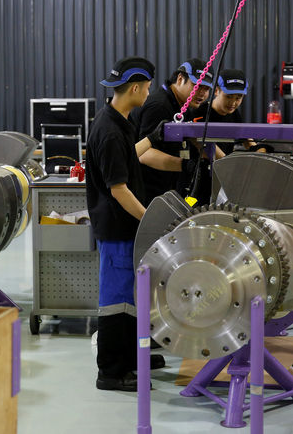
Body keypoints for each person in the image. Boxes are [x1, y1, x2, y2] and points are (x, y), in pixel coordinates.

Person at [86, 56, 166, 392]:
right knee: (116, 301)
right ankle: (111, 372)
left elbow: (128, 155)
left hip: (124, 229)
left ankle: (131, 358)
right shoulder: (108, 131)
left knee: (130, 299)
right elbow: (119, 190)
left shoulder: (118, 120)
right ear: (135, 87)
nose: (148, 93)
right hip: (117, 229)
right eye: (147, 88)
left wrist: (154, 138)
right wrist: (152, 219)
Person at [129, 58, 213, 205]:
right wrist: (185, 166)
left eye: (206, 89)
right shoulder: (159, 106)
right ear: (180, 79)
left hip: (167, 187)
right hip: (144, 190)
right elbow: (144, 154)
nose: (202, 94)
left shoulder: (185, 105)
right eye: (197, 86)